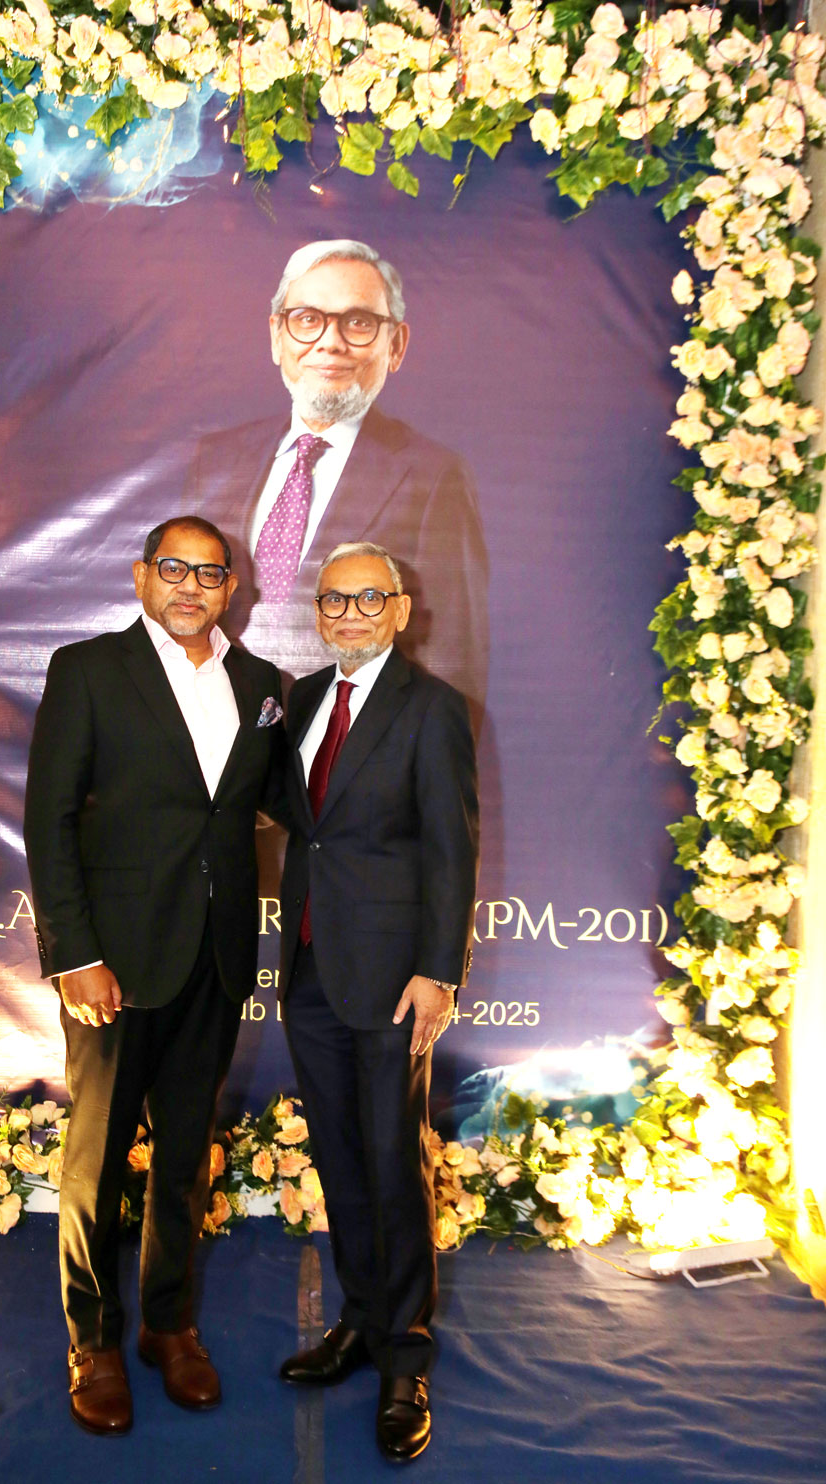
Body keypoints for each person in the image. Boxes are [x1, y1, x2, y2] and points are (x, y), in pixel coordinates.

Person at [23, 515, 286, 1436]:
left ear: (231, 590)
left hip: (215, 956)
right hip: (116, 965)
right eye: (173, 568)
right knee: (96, 1161)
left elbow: (272, 804)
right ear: (142, 577)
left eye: (209, 575)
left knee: (183, 1156)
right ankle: (92, 1340)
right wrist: (75, 956)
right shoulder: (88, 669)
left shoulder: (261, 685)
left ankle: (168, 1324)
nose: (190, 587)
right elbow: (49, 819)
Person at [275, 540, 479, 1462]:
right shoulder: (305, 701)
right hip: (312, 967)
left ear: (400, 608)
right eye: (333, 599)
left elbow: (450, 850)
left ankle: (405, 1357)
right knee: (342, 1154)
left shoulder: (432, 708)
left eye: (368, 598)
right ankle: (361, 1320)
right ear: (317, 611)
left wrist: (438, 970)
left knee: (392, 1160)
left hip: (395, 978)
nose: (349, 614)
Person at [187, 239, 489, 721]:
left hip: (346, 751)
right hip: (215, 741)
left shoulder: (436, 477)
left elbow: (453, 667)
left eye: (359, 322)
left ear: (396, 345)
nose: (330, 341)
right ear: (276, 336)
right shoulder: (216, 460)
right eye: (307, 318)